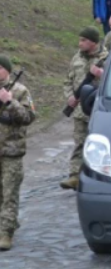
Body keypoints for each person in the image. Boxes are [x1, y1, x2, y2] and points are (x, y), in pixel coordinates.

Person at [60, 27, 107, 190]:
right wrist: (70, 97)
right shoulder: (76, 58)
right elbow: (67, 80)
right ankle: (74, 176)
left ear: (93, 42)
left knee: (100, 146)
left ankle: (99, 177)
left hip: (99, 111)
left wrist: (103, 74)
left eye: (83, 40)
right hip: (79, 110)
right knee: (79, 142)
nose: (79, 43)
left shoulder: (107, 58)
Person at [0, 55, 36, 251]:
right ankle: (8, 221)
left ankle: (6, 233)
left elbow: (28, 117)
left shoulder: (20, 91)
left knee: (9, 193)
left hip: (11, 151)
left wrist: (9, 102)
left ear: (6, 70)